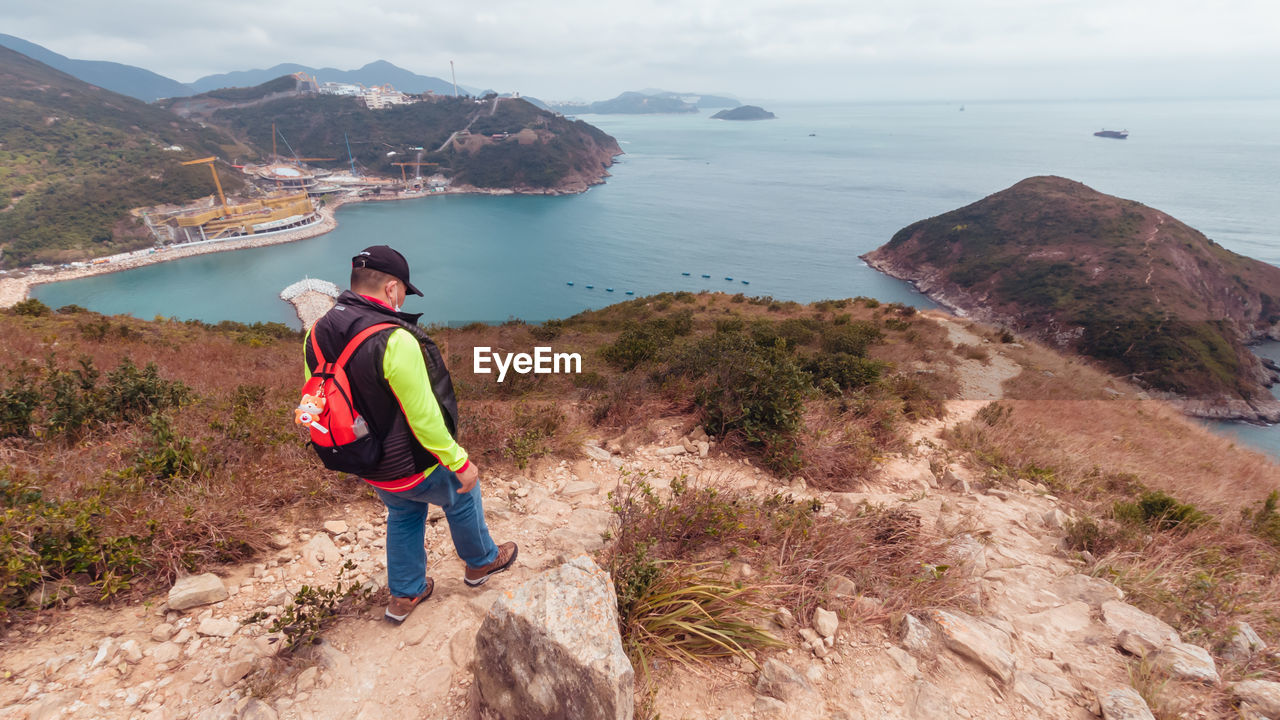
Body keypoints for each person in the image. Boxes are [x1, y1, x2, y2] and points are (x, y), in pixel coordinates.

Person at [304, 245, 517, 623]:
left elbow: (318, 397)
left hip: (365, 459)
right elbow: (424, 416)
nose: (403, 298)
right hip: (411, 462)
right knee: (463, 494)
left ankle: (405, 593)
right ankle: (481, 563)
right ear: (390, 288)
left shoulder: (316, 333)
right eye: (403, 290)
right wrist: (459, 461)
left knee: (403, 513)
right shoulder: (395, 339)